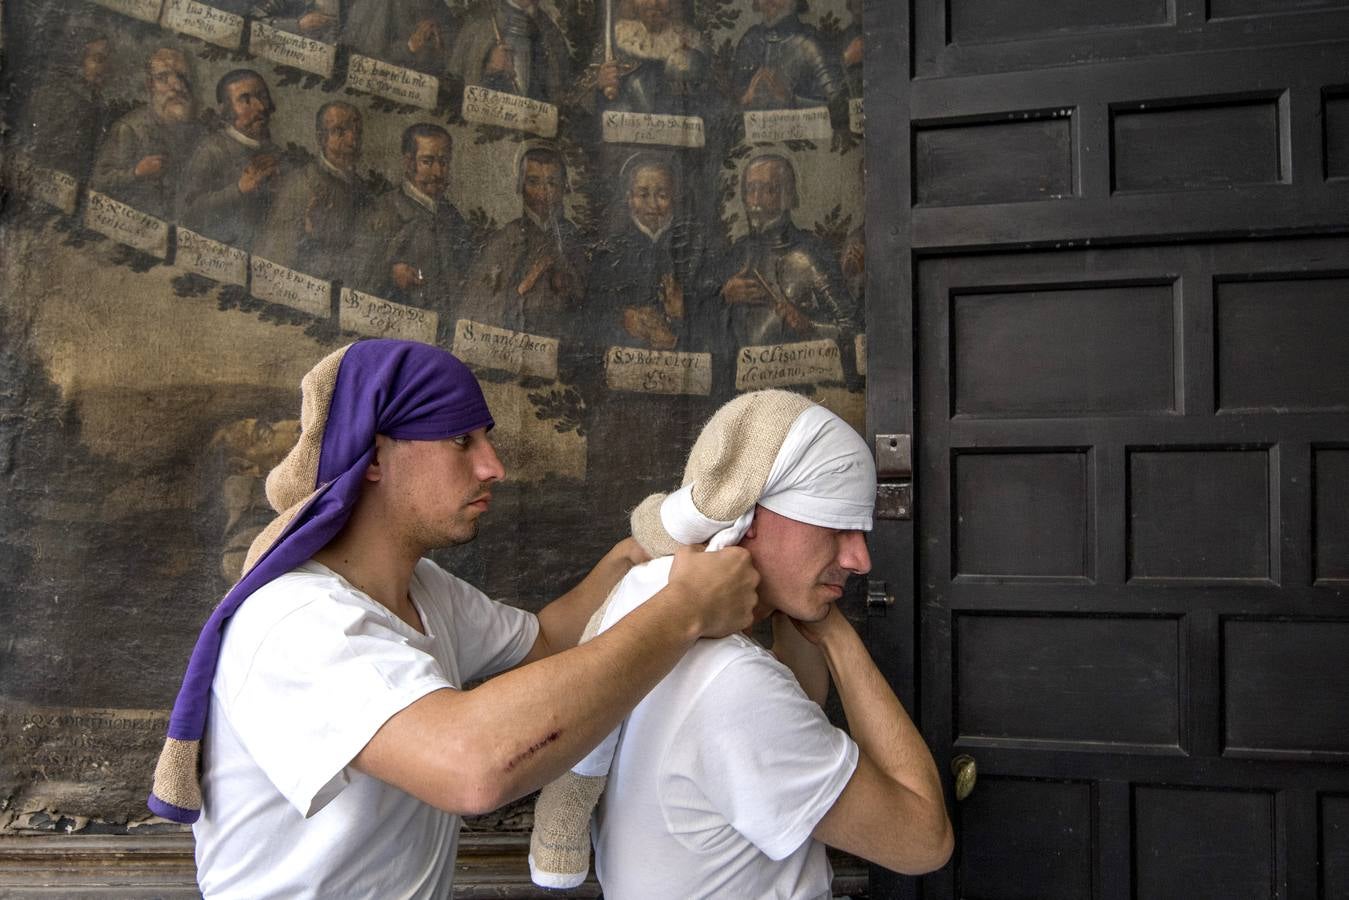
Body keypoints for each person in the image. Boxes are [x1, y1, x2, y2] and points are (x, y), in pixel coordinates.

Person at [148, 339, 760, 898]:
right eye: (460, 440)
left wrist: (639, 552)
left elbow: (546, 642)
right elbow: (473, 769)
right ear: (375, 457)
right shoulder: (299, 623)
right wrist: (685, 610)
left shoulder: (420, 588)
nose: (493, 465)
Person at [529, 389, 953, 895]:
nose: (860, 560)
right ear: (748, 517)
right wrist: (837, 635)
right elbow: (924, 841)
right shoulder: (737, 687)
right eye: (836, 524)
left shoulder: (646, 605)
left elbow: (799, 710)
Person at [719, 153, 858, 347]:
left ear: (789, 195)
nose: (756, 199)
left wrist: (810, 326)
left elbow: (852, 327)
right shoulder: (738, 252)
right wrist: (724, 296)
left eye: (769, 189)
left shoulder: (812, 251)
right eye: (751, 189)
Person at [460, 144, 585, 335]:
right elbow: (478, 303)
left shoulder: (573, 239)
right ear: (520, 185)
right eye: (533, 182)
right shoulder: (504, 239)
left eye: (551, 183)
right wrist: (525, 283)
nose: (543, 192)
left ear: (563, 188)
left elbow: (587, 302)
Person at [255, 101, 371, 285]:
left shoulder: (362, 189)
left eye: (356, 131)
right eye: (340, 132)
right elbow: (274, 258)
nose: (352, 140)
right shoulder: (301, 183)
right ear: (321, 138)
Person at [367, 124, 473, 316]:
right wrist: (391, 274)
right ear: (409, 163)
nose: (438, 172)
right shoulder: (385, 209)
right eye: (428, 162)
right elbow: (359, 273)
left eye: (444, 162)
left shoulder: (453, 216)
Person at [176, 70, 282, 251]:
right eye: (245, 100)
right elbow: (186, 213)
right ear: (225, 109)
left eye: (262, 96)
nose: (260, 107)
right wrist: (239, 189)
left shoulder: (275, 153)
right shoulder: (211, 151)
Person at [92, 48, 204, 219]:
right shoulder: (129, 129)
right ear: (150, 85)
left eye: (182, 76)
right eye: (162, 78)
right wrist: (136, 173)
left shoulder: (196, 130)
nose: (176, 86)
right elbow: (98, 182)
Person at [18, 29, 111, 180]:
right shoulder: (58, 97)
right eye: (98, 60)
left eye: (106, 61)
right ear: (78, 61)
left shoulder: (96, 103)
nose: (104, 68)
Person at [449, 0, 570, 103]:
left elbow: (561, 83)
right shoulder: (482, 17)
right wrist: (488, 64)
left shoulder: (548, 27)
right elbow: (456, 76)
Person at [732, 0, 843, 111]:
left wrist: (790, 100)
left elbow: (839, 107)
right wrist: (746, 99)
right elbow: (731, 106)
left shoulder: (811, 45)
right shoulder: (750, 41)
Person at [343, 0, 453, 74]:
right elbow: (369, 54)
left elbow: (448, 58)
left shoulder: (439, 6)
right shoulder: (376, 4)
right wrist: (409, 47)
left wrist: (440, 42)